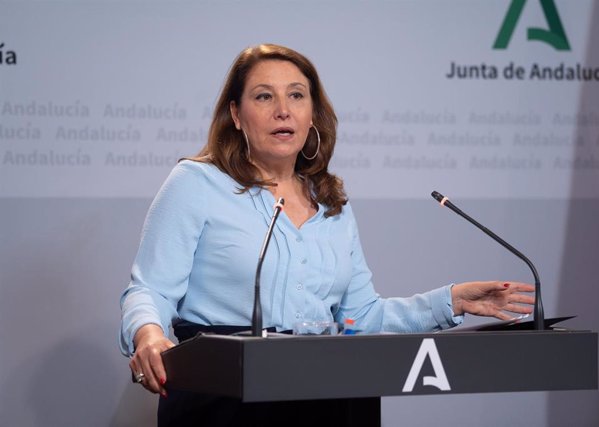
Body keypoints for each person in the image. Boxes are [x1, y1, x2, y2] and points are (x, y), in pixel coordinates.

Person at [119, 43, 535, 425]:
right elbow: (148, 290)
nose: (283, 110)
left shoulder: (331, 201)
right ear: (235, 114)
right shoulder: (196, 183)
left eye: (297, 96)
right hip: (225, 395)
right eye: (264, 96)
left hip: (331, 396)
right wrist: (149, 335)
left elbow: (363, 318)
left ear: (312, 114)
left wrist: (452, 300)